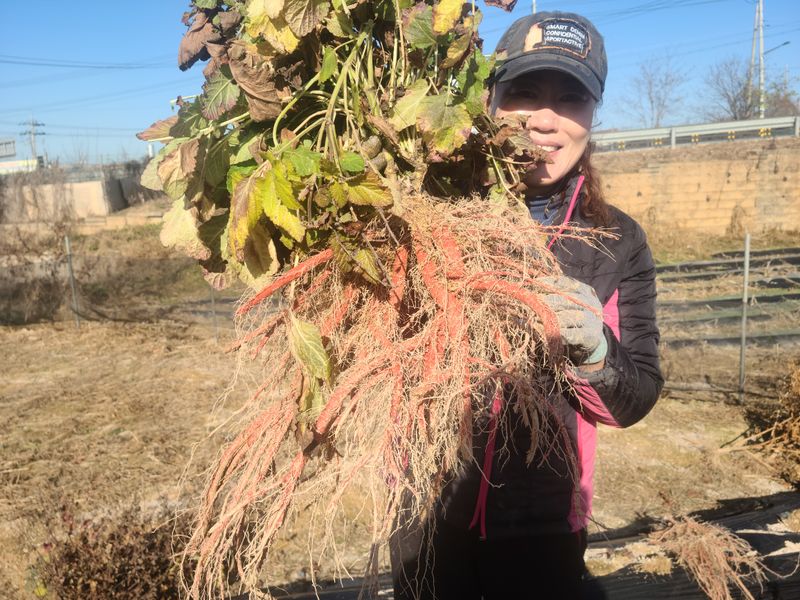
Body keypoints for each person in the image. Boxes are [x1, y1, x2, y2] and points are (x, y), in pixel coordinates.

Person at [390, 10, 663, 600]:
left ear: (591, 117)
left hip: (541, 524)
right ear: (490, 102)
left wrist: (595, 351)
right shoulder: (422, 210)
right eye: (523, 93)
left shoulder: (618, 243)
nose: (545, 120)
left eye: (570, 98)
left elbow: (635, 398)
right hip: (425, 509)